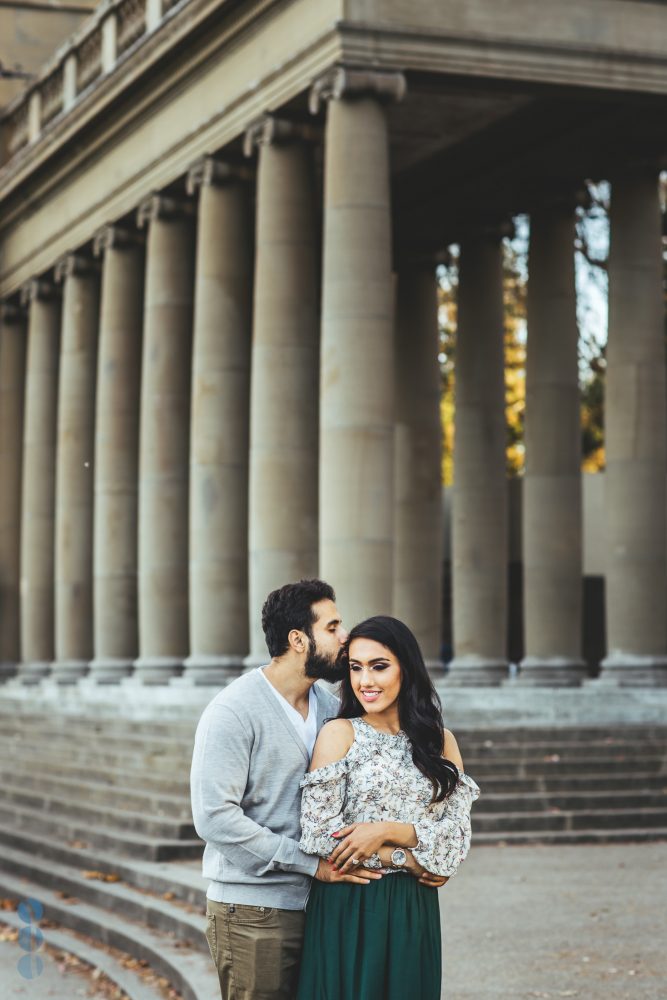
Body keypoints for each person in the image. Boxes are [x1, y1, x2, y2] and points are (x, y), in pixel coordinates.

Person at [190, 579, 383, 1000]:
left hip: (322, 908)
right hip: (253, 914)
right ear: (298, 639)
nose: (344, 637)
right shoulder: (233, 711)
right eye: (332, 627)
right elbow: (214, 817)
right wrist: (309, 864)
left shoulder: (332, 710)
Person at [297, 615, 481, 1000]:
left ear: (406, 669)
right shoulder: (340, 733)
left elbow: (456, 840)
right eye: (355, 668)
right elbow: (317, 834)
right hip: (349, 907)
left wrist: (386, 831)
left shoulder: (440, 743)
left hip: (414, 911)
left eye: (379, 667)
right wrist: (416, 859)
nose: (366, 681)